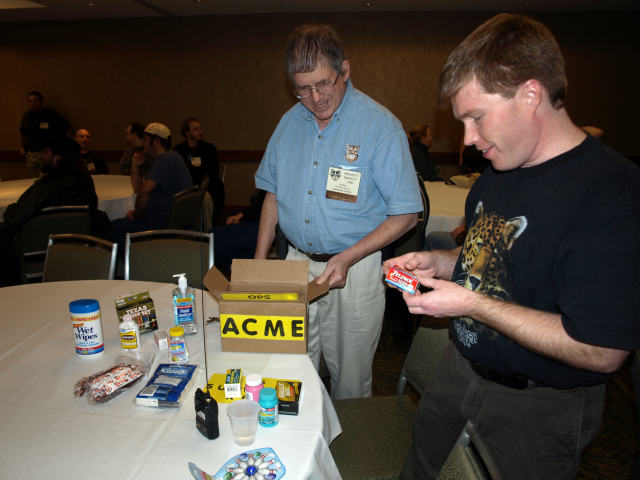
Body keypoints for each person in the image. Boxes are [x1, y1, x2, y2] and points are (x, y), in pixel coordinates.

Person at [383, 14, 640, 480]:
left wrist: (473, 305)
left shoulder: (609, 191)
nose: (468, 139)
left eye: (476, 117)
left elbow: (602, 349)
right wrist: (440, 262)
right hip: (459, 371)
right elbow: (493, 254)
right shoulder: (497, 174)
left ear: (530, 94)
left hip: (537, 409)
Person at [254, 24, 423, 400]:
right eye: (302, 88)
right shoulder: (288, 123)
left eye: (323, 84)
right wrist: (260, 262)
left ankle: (348, 455)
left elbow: (407, 214)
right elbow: (272, 197)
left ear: (344, 70)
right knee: (291, 371)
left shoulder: (380, 127)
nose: (314, 98)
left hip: (356, 269)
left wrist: (348, 257)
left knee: (349, 377)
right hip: (297, 264)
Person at [3, 136, 109, 238]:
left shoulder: (49, 184)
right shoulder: (85, 180)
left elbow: (16, 217)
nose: (42, 156)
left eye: (45, 152)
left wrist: (10, 209)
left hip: (43, 245)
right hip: (80, 243)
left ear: (57, 158)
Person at [109, 122, 192, 249]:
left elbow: (143, 192)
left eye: (146, 140)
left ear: (156, 141)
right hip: (165, 219)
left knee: (110, 227)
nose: (143, 144)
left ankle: (125, 265)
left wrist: (136, 215)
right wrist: (135, 166)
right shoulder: (167, 157)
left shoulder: (166, 160)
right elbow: (138, 189)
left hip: (159, 223)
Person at [174, 118, 225, 227]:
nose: (200, 131)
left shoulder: (209, 149)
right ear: (187, 132)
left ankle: (207, 231)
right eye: (195, 129)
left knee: (208, 196)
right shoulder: (178, 151)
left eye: (200, 128)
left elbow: (213, 171)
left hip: (206, 187)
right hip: (186, 188)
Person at [211, 189, 266, 275]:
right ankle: (239, 267)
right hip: (260, 213)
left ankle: (237, 270)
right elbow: (261, 204)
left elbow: (266, 207)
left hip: (265, 220)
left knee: (215, 243)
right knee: (229, 219)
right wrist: (242, 214)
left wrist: (243, 216)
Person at [19, 91, 72, 177]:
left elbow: (67, 130)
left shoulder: (51, 115)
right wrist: (22, 146)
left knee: (46, 178)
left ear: (41, 102)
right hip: (31, 155)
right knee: (33, 180)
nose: (33, 103)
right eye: (30, 101)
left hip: (47, 154)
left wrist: (66, 149)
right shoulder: (26, 117)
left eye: (35, 101)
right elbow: (22, 132)